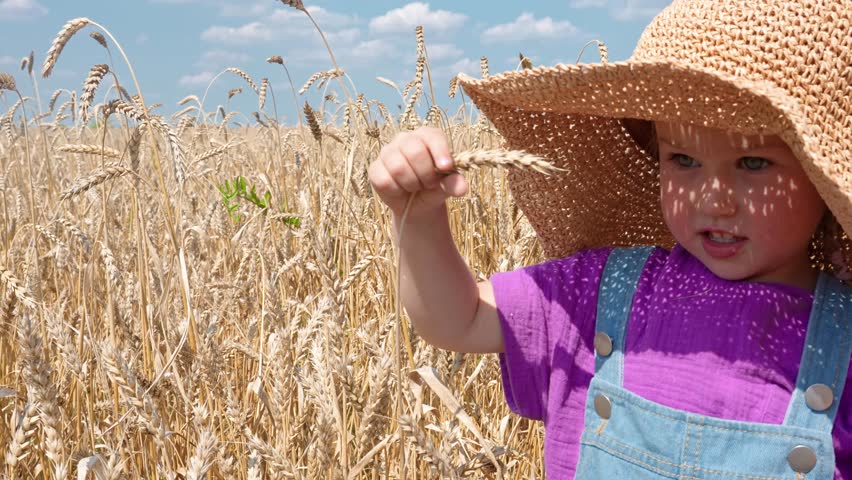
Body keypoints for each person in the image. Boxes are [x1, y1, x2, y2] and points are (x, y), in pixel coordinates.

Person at [368, 0, 852, 478]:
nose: (713, 199)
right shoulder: (605, 288)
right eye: (683, 160)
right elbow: (460, 318)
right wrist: (421, 218)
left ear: (821, 176)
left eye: (753, 163)